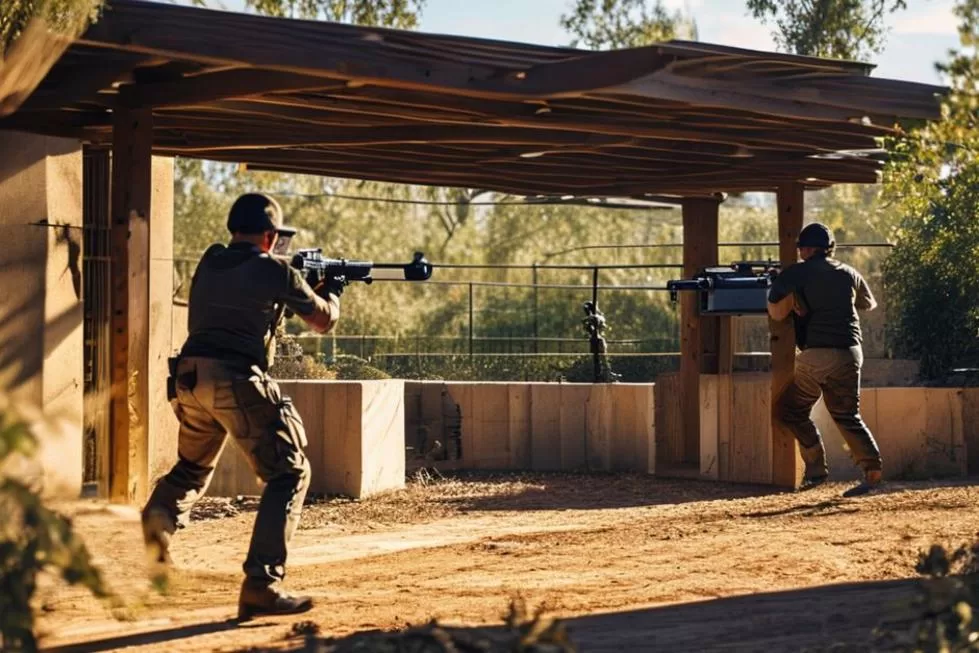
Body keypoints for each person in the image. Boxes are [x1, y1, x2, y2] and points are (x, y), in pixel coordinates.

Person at [141, 193, 341, 619]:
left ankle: (156, 528)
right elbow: (322, 320)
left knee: (192, 469)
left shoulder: (211, 260)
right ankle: (262, 585)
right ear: (270, 236)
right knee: (290, 472)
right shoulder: (276, 269)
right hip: (234, 378)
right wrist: (333, 296)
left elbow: (242, 299)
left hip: (190, 380)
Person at [767, 222, 883, 498]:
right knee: (847, 414)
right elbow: (868, 304)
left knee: (790, 410)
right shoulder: (849, 272)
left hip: (817, 354)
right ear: (829, 248)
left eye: (801, 248)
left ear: (806, 249)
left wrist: (790, 293)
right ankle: (873, 472)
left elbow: (775, 311)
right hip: (851, 352)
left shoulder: (796, 273)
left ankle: (816, 470)